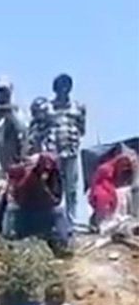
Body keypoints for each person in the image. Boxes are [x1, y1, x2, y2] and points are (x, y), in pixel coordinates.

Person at [41, 73, 87, 221]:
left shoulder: (78, 107)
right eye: (61, 85)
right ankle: (53, 221)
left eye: (67, 85)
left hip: (71, 153)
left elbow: (82, 129)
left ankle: (71, 221)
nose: (64, 88)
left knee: (71, 189)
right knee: (53, 188)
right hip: (53, 154)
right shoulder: (48, 108)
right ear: (55, 88)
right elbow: (41, 130)